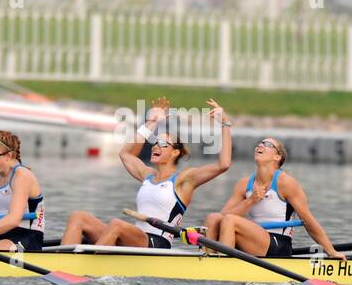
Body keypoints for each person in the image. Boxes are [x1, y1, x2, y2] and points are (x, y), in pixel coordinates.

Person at [61, 97, 231, 248]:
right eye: (155, 142)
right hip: (134, 237)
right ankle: (62, 263)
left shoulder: (183, 179)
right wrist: (151, 122)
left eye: (163, 144)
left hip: (156, 242)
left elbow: (223, 165)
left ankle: (89, 268)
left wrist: (225, 124)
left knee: (116, 224)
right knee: (79, 216)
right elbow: (125, 154)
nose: (156, 146)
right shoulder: (147, 174)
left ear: (175, 153)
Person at [202, 136, 344, 260]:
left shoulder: (286, 183)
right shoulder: (243, 184)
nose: (261, 145)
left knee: (230, 220)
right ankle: (207, 260)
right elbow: (221, 217)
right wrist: (250, 201)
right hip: (255, 241)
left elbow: (308, 221)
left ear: (277, 157)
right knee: (213, 218)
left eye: (268, 145)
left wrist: (331, 252)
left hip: (279, 245)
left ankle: (219, 266)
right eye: (260, 142)